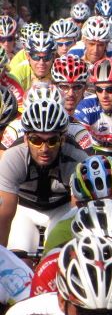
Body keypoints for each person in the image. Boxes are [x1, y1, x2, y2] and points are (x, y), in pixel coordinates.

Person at [0, 98, 86, 254]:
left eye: (52, 141)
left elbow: (77, 213)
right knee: (19, 260)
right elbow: (4, 215)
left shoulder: (77, 159)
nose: (44, 148)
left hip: (63, 210)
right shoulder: (13, 157)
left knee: (56, 256)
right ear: (26, 138)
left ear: (63, 139)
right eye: (36, 140)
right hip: (24, 209)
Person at [73, 59, 112, 158]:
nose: (104, 95)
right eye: (98, 89)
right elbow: (77, 138)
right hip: (96, 151)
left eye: (111, 89)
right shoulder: (86, 106)